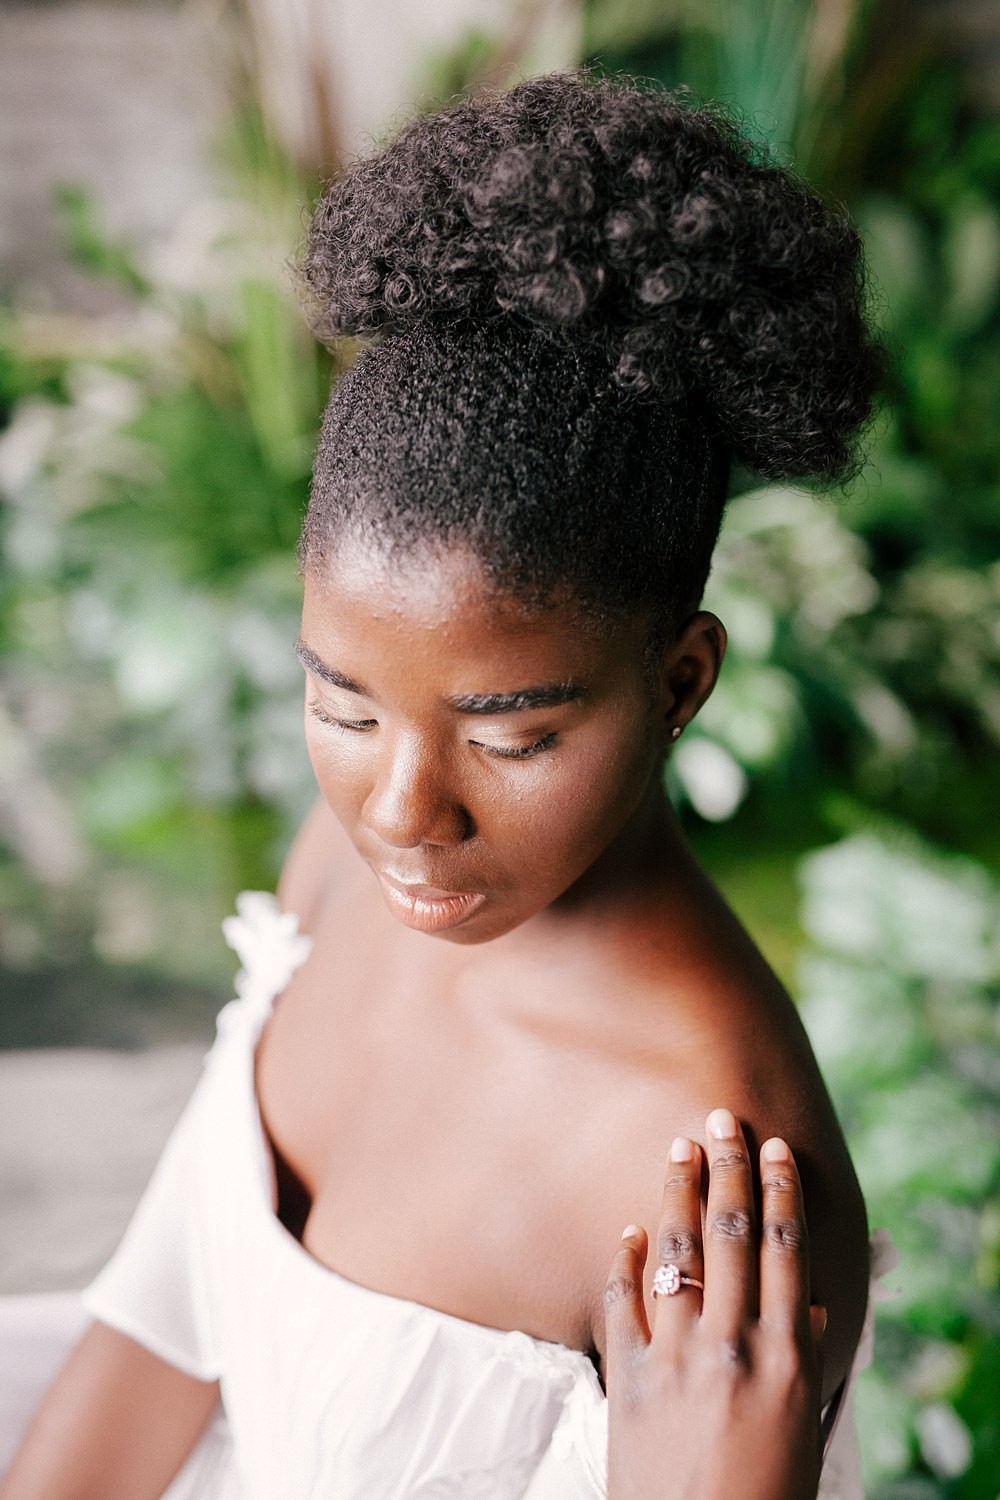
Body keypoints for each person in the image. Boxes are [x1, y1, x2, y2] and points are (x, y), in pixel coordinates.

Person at [0, 69, 882, 1499]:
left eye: (511, 735)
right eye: (341, 704)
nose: (400, 813)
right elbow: (151, 1348)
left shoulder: (705, 1177)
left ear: (680, 684)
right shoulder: (338, 865)